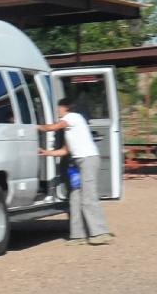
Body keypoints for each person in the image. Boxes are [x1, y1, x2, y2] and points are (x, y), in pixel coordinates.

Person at [34, 97, 113, 245]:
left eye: (59, 108)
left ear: (66, 108)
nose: (58, 111)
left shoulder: (72, 117)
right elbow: (64, 151)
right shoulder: (70, 129)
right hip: (77, 162)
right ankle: (78, 235)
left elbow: (53, 127)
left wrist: (36, 127)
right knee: (75, 197)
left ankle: (100, 232)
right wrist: (46, 153)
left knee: (88, 196)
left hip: (88, 159)